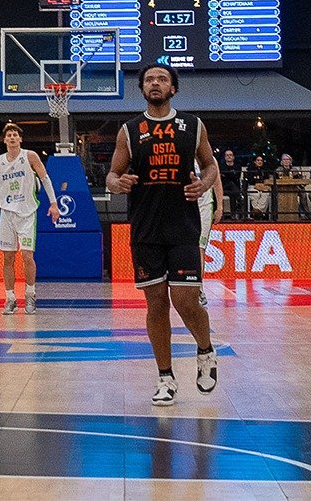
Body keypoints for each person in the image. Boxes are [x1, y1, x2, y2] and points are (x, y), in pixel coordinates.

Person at [106, 62, 219, 406]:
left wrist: (205, 184)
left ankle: (205, 350)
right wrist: (118, 183)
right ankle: (165, 377)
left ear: (173, 88)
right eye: (150, 79)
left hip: (183, 226)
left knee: (185, 301)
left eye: (162, 79)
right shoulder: (129, 130)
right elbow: (112, 174)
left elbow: (210, 165)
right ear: (142, 88)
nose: (155, 83)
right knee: (156, 303)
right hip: (146, 228)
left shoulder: (193, 125)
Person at [0, 124, 60, 315]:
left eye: (15, 135)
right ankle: (10, 298)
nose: (12, 137)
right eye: (9, 135)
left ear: (20, 139)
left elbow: (45, 179)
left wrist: (53, 204)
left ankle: (30, 295)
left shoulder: (30, 156)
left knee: (27, 256)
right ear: (4, 140)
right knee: (8, 258)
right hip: (7, 213)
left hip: (27, 212)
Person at [195, 163, 224, 309]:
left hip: (204, 206)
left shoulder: (208, 159)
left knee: (199, 248)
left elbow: (217, 182)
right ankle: (188, 285)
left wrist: (220, 207)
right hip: (184, 207)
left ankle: (199, 289)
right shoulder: (182, 154)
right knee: (187, 248)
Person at [217, 149, 240, 219]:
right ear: (225, 157)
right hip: (224, 187)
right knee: (231, 184)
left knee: (232, 192)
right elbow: (223, 178)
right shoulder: (221, 166)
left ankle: (232, 214)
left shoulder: (237, 166)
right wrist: (231, 174)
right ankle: (235, 211)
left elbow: (237, 176)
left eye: (230, 155)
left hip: (234, 188)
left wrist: (226, 174)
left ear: (233, 157)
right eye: (227, 155)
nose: (229, 156)